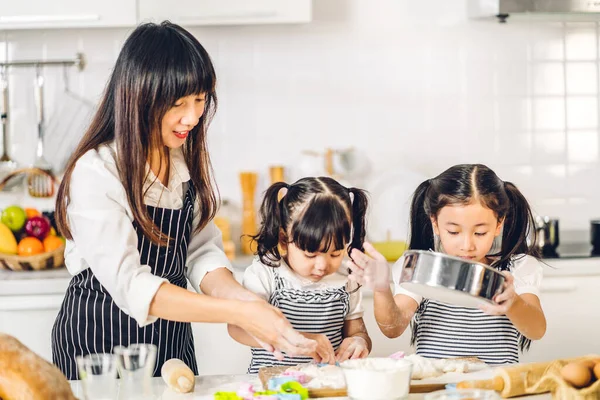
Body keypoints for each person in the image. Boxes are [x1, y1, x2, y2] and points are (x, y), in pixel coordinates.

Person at [51, 21, 315, 380]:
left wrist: (246, 301)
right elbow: (131, 286)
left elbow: (200, 252)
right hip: (100, 351)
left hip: (171, 347)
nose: (192, 117)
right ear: (140, 97)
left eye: (200, 99)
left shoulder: (179, 162)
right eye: (178, 103)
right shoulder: (97, 171)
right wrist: (236, 314)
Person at [349, 164, 547, 365]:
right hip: (437, 389)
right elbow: (393, 328)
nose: (467, 245)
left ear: (498, 224)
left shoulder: (516, 268)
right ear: (435, 222)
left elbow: (537, 330)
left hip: (495, 388)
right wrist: (382, 290)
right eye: (453, 232)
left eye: (479, 233)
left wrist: (513, 303)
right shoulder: (422, 267)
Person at [229, 177, 372, 373]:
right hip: (272, 385)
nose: (322, 265)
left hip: (328, 385)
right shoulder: (266, 274)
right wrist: (295, 339)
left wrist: (359, 341)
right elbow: (237, 328)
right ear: (283, 240)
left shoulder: (346, 279)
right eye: (310, 254)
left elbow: (357, 331)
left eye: (335, 253)